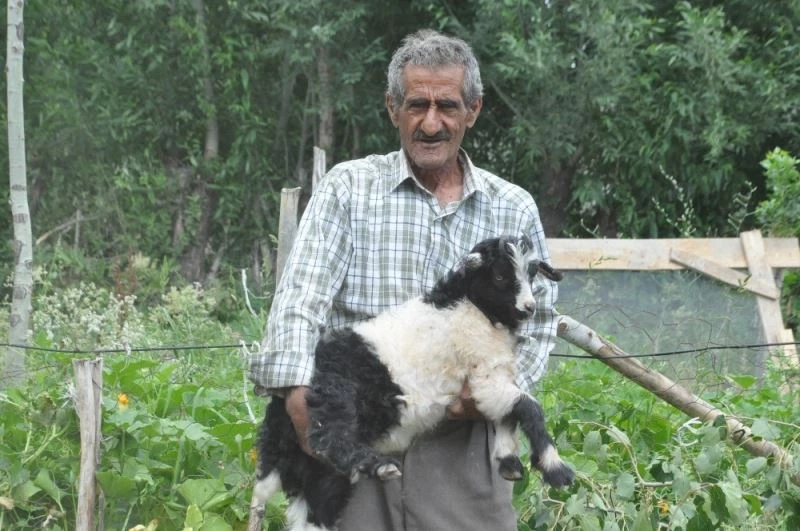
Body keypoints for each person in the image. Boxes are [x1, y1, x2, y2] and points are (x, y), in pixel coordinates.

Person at [249, 29, 559, 531]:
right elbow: (299, 299)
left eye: (447, 106)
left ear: (473, 110)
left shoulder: (512, 207)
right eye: (416, 104)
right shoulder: (349, 189)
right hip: (358, 434)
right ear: (393, 107)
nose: (431, 123)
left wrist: (490, 393)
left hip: (463, 455)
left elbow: (540, 319)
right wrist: (297, 398)